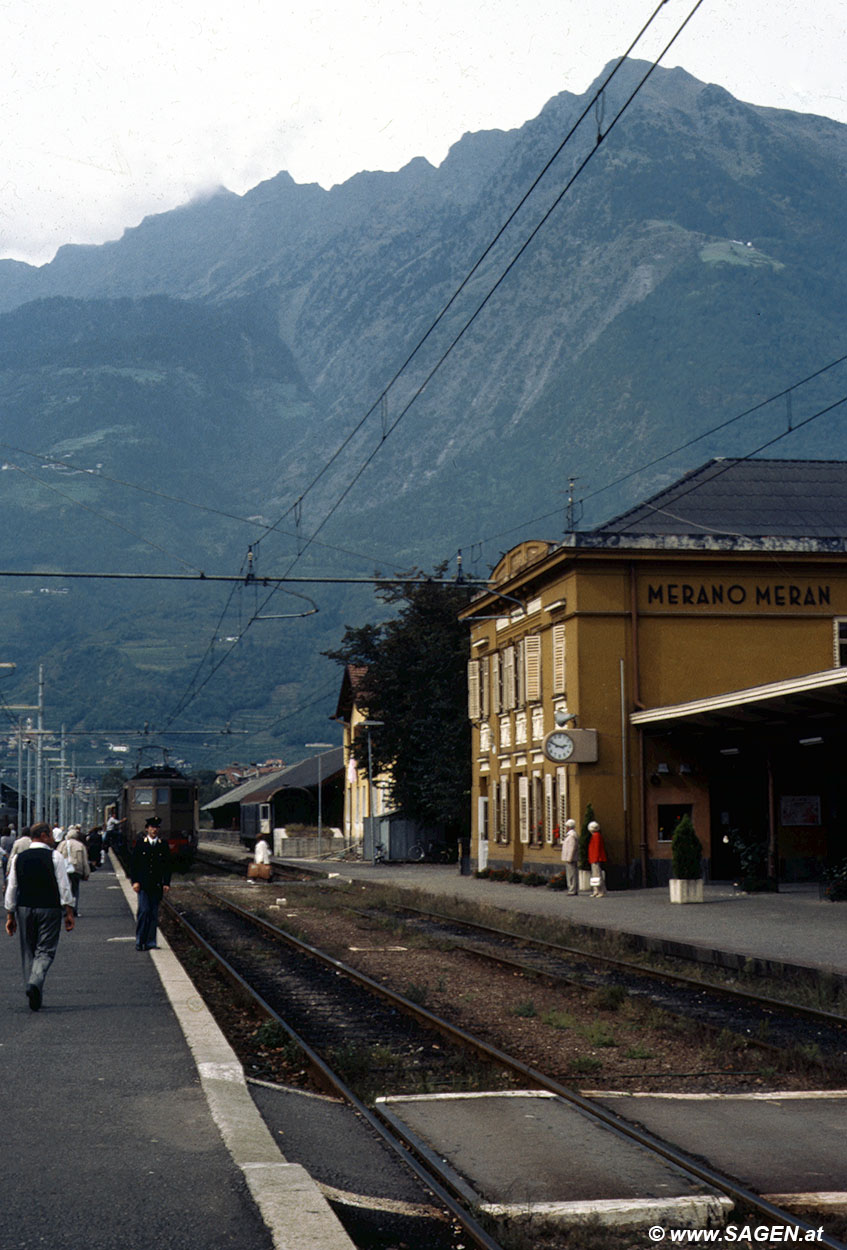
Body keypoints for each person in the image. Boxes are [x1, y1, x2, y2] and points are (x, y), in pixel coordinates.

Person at [4, 821, 75, 1010]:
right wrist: (69, 911)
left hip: (25, 908)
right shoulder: (55, 856)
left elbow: (12, 887)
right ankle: (34, 983)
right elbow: (64, 886)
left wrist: (10, 914)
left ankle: (34, 992)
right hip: (49, 908)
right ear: (43, 835)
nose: (53, 838)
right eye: (51, 835)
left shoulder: (18, 858)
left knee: (29, 950)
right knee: (45, 949)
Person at [129, 817, 171, 951]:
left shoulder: (162, 845)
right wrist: (135, 881)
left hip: (156, 885)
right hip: (143, 884)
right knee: (144, 911)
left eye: (156, 828)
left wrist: (166, 882)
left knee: (153, 913)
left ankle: (151, 942)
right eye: (152, 827)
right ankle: (140, 940)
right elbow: (134, 864)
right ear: (147, 829)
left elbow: (167, 865)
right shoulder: (141, 844)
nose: (154, 830)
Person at [60, 825, 91, 917]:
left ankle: (64, 909)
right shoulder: (80, 845)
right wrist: (86, 873)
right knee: (75, 890)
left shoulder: (62, 844)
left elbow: (57, 857)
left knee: (64, 889)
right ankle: (74, 910)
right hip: (76, 870)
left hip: (64, 870)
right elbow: (85, 861)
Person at [587, 820, 607, 897]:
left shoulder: (596, 836)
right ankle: (596, 890)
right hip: (594, 858)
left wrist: (595, 858)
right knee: (595, 875)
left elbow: (596, 848)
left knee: (598, 875)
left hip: (596, 858)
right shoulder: (595, 835)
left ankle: (601, 891)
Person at [560, 818, 579, 895]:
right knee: (572, 874)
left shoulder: (571, 836)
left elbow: (572, 848)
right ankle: (573, 889)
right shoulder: (571, 835)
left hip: (570, 858)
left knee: (571, 875)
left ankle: (572, 889)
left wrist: (569, 858)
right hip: (570, 858)